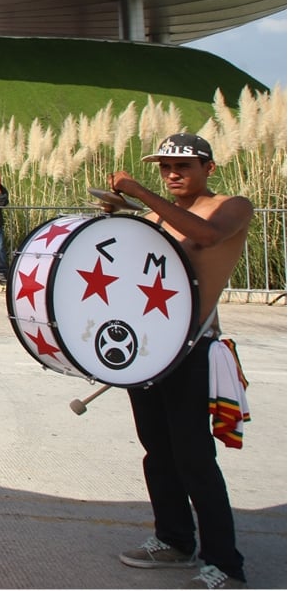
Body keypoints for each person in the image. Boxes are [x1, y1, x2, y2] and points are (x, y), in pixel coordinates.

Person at [107, 133, 252, 589]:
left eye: (183, 166)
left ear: (208, 168)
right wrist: (121, 218)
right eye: (165, 166)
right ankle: (174, 538)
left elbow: (205, 236)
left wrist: (138, 194)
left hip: (191, 349)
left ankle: (225, 563)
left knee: (194, 457)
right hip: (151, 348)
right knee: (158, 452)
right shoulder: (155, 215)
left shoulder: (232, 206)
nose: (172, 174)